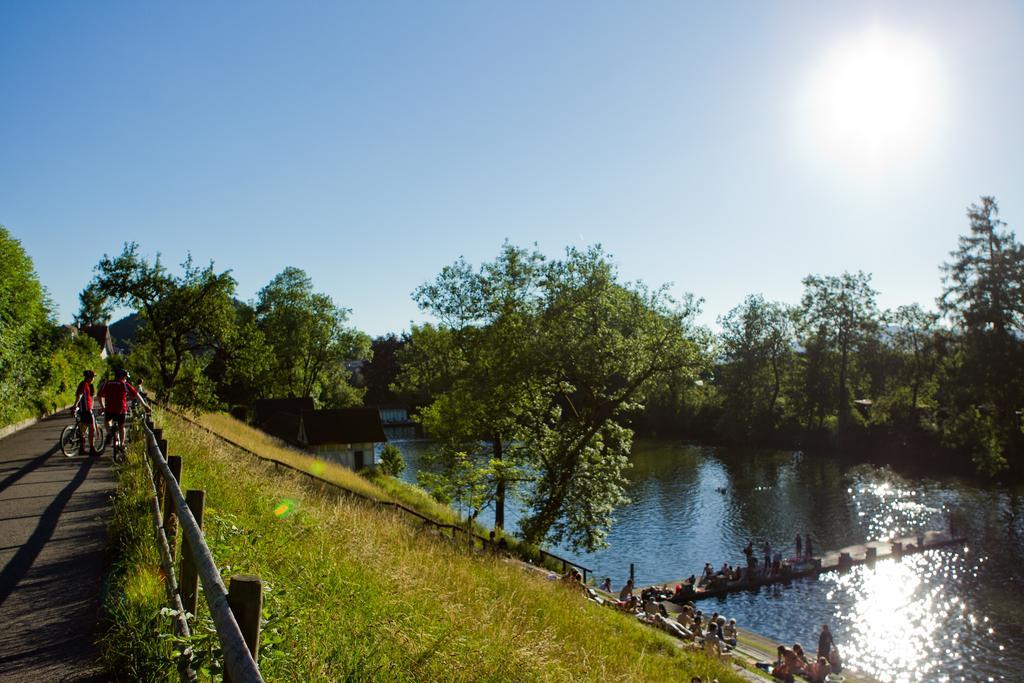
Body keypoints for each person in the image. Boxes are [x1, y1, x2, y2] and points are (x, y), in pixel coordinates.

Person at [100, 368, 150, 453]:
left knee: (107, 421)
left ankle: (109, 433)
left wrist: (103, 407)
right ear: (123, 377)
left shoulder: (107, 383)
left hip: (109, 409)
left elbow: (99, 396)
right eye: (126, 377)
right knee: (121, 427)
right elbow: (137, 395)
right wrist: (145, 405)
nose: (126, 379)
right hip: (120, 410)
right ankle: (122, 444)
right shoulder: (124, 384)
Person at [74, 370, 98, 455]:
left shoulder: (88, 385)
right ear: (89, 377)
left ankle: (82, 448)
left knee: (83, 429)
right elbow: (79, 395)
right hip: (86, 410)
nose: (93, 379)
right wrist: (75, 405)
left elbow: (91, 398)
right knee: (92, 429)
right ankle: (92, 449)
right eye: (92, 377)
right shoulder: (84, 384)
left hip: (84, 410)